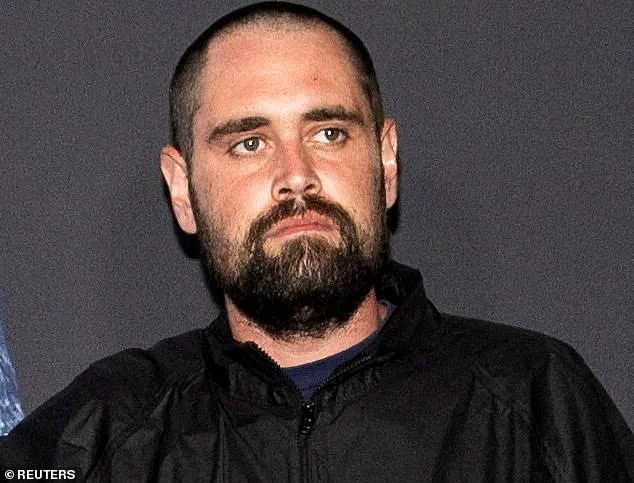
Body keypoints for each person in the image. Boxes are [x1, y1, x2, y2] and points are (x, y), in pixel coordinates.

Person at [1, 2, 631, 481]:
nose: (295, 175)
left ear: (385, 161)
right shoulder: (105, 430)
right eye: (249, 143)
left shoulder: (537, 402)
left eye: (329, 133)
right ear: (183, 191)